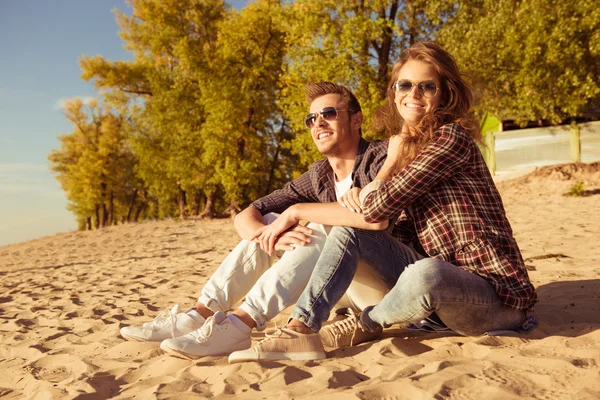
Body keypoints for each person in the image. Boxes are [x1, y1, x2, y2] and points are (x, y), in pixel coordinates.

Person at [228, 41, 538, 363]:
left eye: (426, 87)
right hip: (437, 299)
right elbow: (374, 219)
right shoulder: (407, 148)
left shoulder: (451, 139)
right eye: (405, 85)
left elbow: (376, 209)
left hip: (492, 296)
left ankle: (366, 322)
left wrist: (384, 169)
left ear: (444, 93)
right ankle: (300, 329)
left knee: (425, 273)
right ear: (394, 91)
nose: (413, 95)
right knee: (349, 232)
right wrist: (375, 182)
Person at [119, 81, 393, 359]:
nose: (319, 123)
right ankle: (200, 313)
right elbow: (248, 213)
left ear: (356, 119)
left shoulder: (381, 158)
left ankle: (240, 323)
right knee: (272, 220)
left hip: (387, 288)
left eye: (329, 113)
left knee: (322, 225)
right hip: (339, 290)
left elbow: (373, 217)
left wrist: (297, 212)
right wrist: (269, 232)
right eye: (312, 118)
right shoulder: (319, 174)